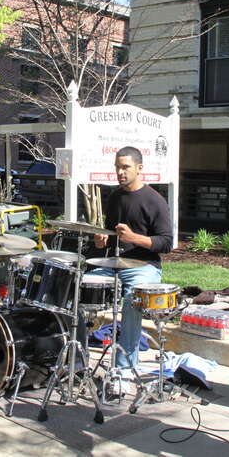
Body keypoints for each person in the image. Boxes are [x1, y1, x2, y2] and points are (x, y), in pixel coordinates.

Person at [87, 146, 172, 368]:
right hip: (114, 263)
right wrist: (100, 241)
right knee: (80, 286)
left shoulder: (155, 200)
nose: (120, 172)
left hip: (145, 266)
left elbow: (166, 243)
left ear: (139, 168)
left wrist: (135, 238)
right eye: (117, 167)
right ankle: (77, 359)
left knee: (132, 299)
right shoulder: (115, 196)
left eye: (125, 167)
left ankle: (123, 369)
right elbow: (109, 233)